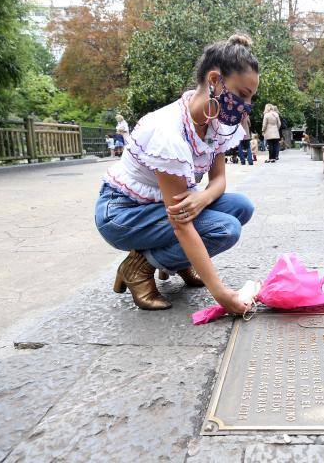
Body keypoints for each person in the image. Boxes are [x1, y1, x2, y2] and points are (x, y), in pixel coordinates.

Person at [95, 34, 258, 314]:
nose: (246, 106)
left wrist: (202, 199)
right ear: (215, 79)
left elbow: (219, 181)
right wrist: (222, 295)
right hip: (123, 213)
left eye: (251, 98)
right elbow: (181, 222)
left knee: (242, 206)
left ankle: (178, 261)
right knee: (224, 229)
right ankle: (139, 267)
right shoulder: (168, 132)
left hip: (162, 207)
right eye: (242, 94)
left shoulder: (215, 122)